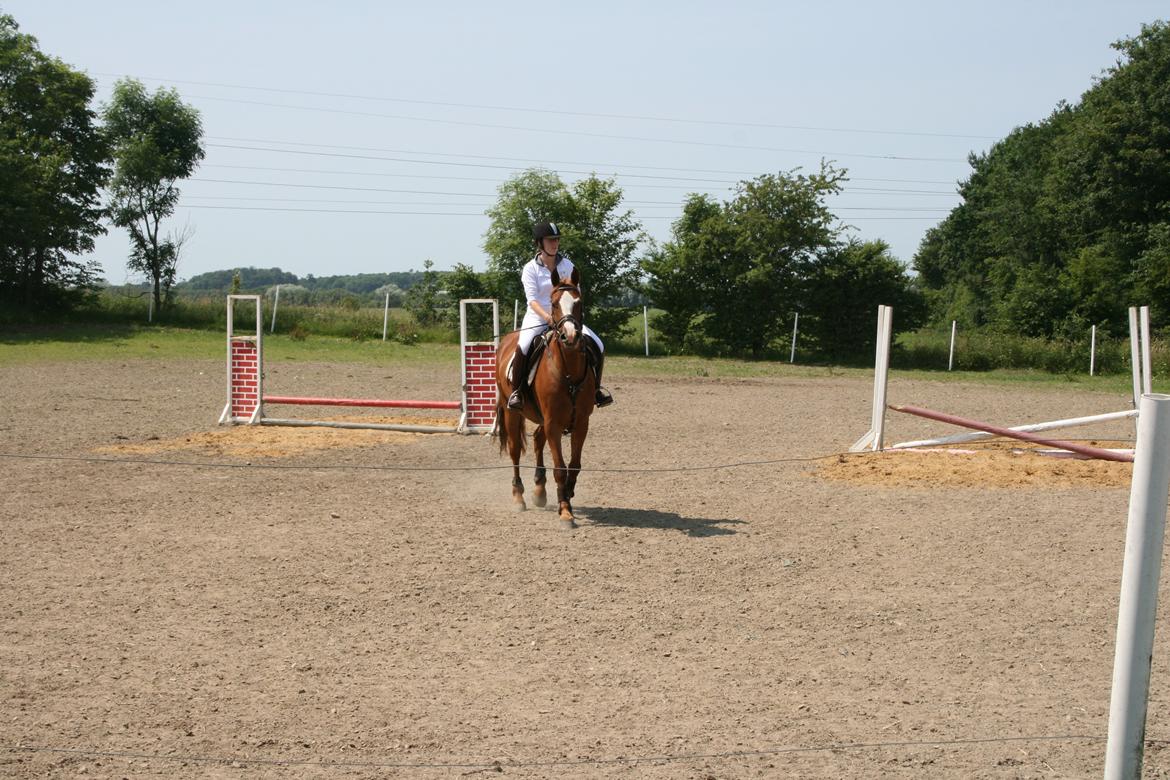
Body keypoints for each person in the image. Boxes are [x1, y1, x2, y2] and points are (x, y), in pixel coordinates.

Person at [507, 221, 613, 411]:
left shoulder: (567, 265)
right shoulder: (530, 269)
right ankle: (517, 392)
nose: (555, 244)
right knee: (523, 346)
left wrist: (570, 316)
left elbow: (575, 294)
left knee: (598, 343)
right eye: (550, 240)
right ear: (540, 243)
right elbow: (532, 300)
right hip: (539, 316)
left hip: (566, 317)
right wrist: (548, 318)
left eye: (556, 240)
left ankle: (596, 390)